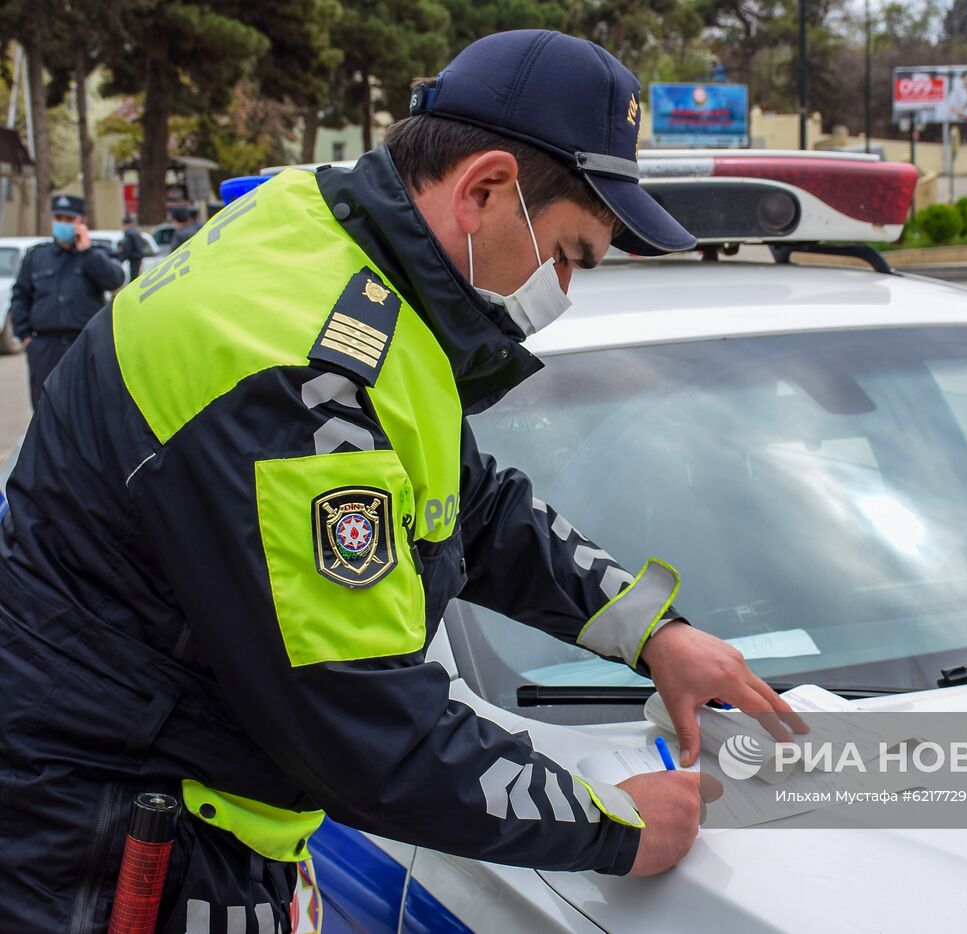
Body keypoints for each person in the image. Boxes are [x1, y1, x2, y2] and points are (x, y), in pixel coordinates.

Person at [0, 30, 803, 931]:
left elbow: (468, 503)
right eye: (571, 254)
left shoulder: (326, 237)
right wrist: (615, 823)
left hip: (152, 803)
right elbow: (373, 735)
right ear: (485, 190)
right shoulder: (298, 380)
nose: (563, 292)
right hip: (109, 852)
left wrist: (655, 632)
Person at [8, 193, 125, 407]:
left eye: (69, 220)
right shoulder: (37, 257)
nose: (63, 224)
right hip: (45, 346)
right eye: (59, 218)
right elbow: (20, 296)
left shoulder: (95, 254)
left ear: (82, 222)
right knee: (45, 408)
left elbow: (115, 280)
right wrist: (25, 337)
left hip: (82, 343)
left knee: (87, 407)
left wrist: (87, 252)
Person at [118, 213, 146, 281]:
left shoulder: (129, 234)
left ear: (126, 224)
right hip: (139, 257)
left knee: (133, 278)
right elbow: (143, 243)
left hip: (134, 258)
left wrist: (121, 259)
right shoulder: (137, 232)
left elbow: (127, 248)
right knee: (137, 276)